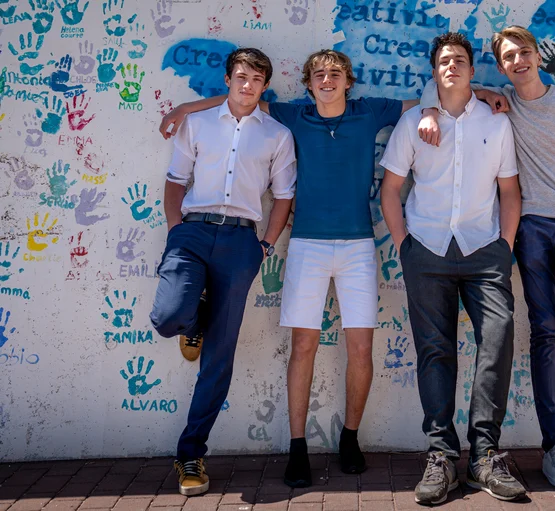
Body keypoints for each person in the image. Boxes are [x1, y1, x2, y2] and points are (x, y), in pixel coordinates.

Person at [159, 49, 419, 487]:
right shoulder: (291, 117)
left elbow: (432, 100)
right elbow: (240, 103)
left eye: (336, 74)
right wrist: (187, 106)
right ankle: (298, 447)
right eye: (319, 74)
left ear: (348, 81)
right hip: (306, 246)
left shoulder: (370, 111)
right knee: (303, 347)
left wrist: (484, 94)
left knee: (360, 349)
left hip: (358, 246)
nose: (327, 80)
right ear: (309, 83)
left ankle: (350, 439)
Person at [419, 25, 555, 491]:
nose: (518, 61)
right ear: (501, 66)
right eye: (508, 57)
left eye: (523, 52)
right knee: (538, 331)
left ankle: (551, 340)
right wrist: (431, 104)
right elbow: (449, 82)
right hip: (528, 227)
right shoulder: (501, 103)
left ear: (536, 56)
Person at [379, 32, 525, 505]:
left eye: (460, 60)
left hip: (485, 251)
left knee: (497, 340)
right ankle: (441, 454)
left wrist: (504, 245)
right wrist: (405, 247)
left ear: (471, 68)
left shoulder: (496, 122)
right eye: (444, 61)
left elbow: (510, 191)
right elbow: (391, 190)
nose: (452, 67)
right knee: (434, 351)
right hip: (427, 250)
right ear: (434, 70)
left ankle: (484, 456)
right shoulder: (412, 124)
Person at [150, 48, 297, 496]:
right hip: (192, 233)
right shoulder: (198, 123)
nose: (247, 84)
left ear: (265, 85)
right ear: (228, 79)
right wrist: (176, 230)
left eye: (256, 78)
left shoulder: (277, 134)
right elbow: (177, 180)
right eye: (240, 76)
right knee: (167, 316)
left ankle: (191, 454)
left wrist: (265, 245)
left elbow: (284, 195)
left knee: (220, 353)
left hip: (240, 241)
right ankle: (192, 324)